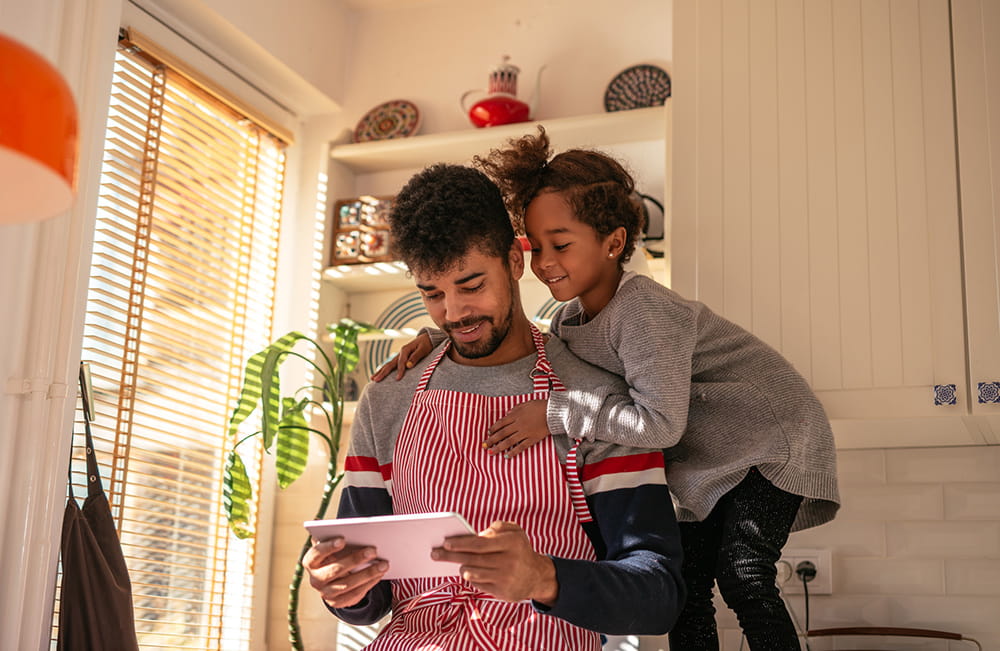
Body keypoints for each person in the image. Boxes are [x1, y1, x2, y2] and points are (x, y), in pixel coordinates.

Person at [372, 128, 841, 651]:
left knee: (744, 573)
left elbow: (661, 424)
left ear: (614, 243)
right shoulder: (572, 320)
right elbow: (515, 336)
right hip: (718, 457)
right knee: (691, 593)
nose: (544, 263)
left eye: (561, 245)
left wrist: (552, 413)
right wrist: (442, 336)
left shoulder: (643, 310)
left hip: (771, 441)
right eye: (538, 247)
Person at [303, 163, 685, 650]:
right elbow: (371, 595)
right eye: (432, 294)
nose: (453, 313)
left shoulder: (594, 401)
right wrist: (343, 589)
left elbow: (658, 594)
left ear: (514, 261)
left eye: (471, 285)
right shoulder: (389, 397)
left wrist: (544, 578)